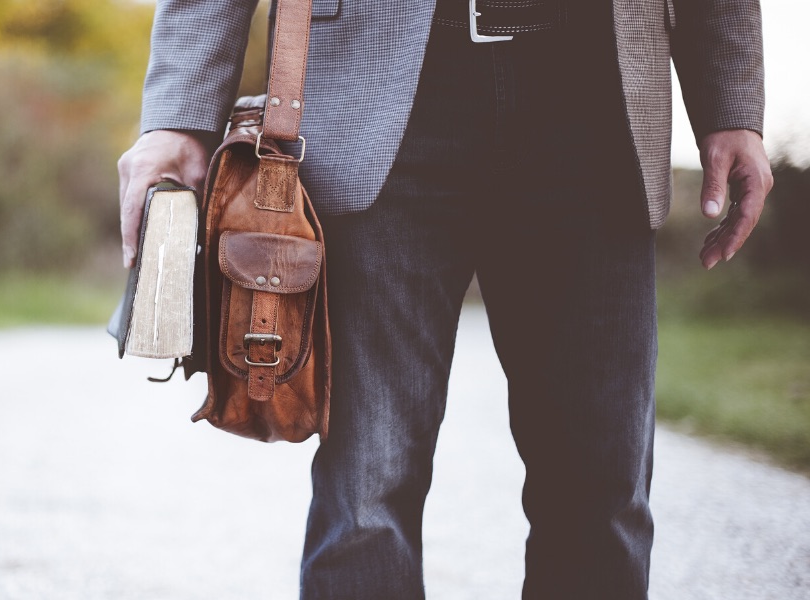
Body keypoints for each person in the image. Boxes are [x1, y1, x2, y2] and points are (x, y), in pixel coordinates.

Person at [117, 0, 772, 598]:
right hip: (382, 97)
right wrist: (179, 114)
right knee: (367, 494)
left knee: (601, 488)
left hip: (596, 97)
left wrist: (731, 104)